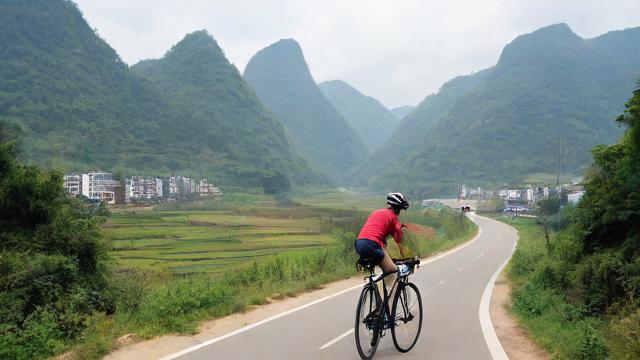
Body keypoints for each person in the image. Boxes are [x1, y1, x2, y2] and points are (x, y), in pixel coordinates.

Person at [355, 192, 410, 299]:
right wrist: (400, 229)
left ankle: (378, 303)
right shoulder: (393, 217)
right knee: (392, 270)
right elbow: (398, 239)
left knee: (380, 265)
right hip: (372, 244)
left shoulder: (377, 212)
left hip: (359, 243)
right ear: (399, 209)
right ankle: (385, 297)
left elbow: (377, 230)